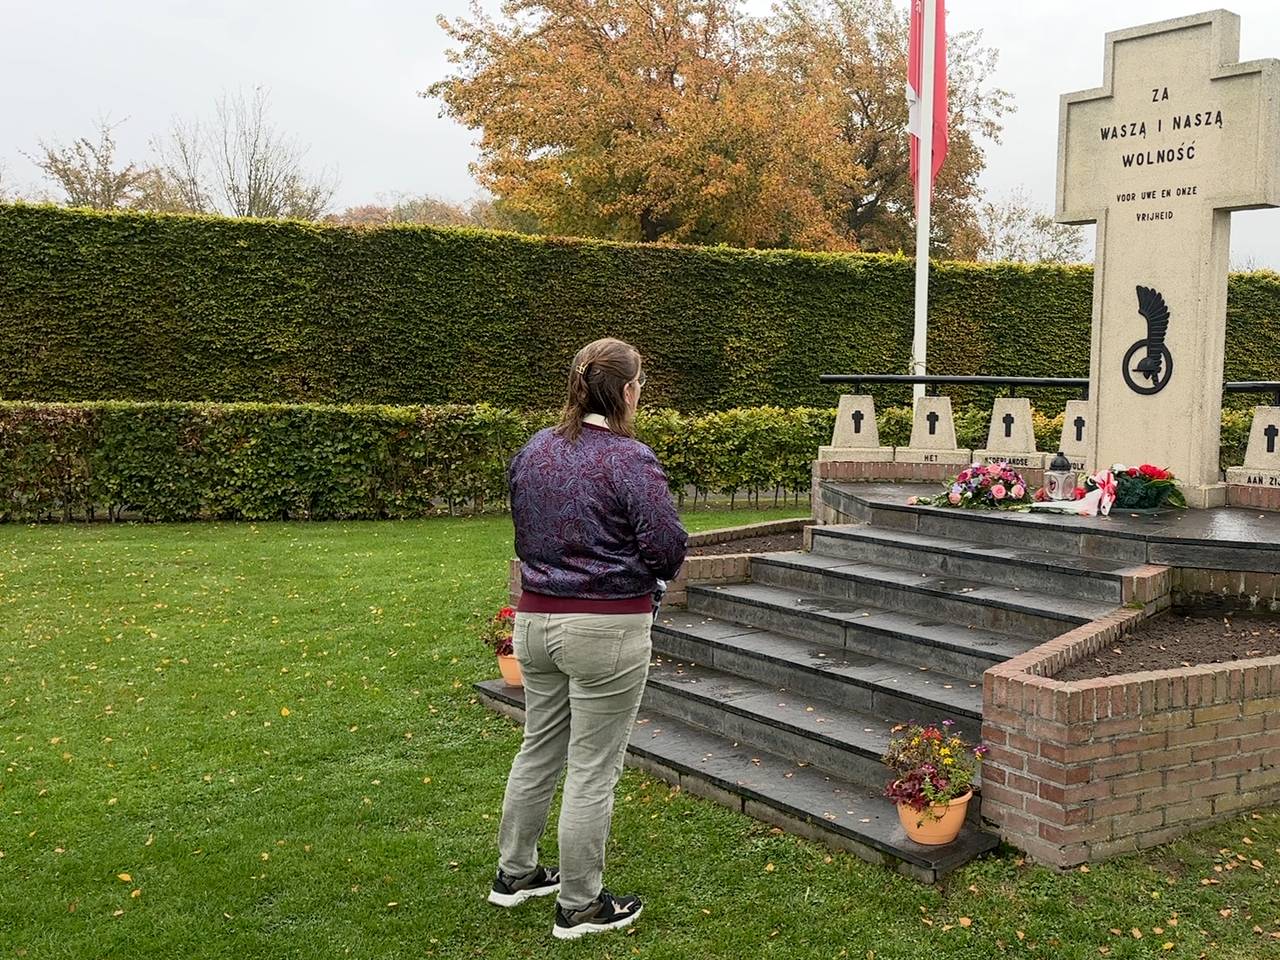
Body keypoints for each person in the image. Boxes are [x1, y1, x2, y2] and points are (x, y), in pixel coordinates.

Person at [489, 337, 688, 940]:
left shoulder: (535, 449)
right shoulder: (629, 458)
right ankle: (579, 904)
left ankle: (515, 873)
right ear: (626, 391)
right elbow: (667, 547)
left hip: (535, 622)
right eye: (640, 385)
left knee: (539, 748)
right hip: (606, 626)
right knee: (592, 770)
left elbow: (524, 524)